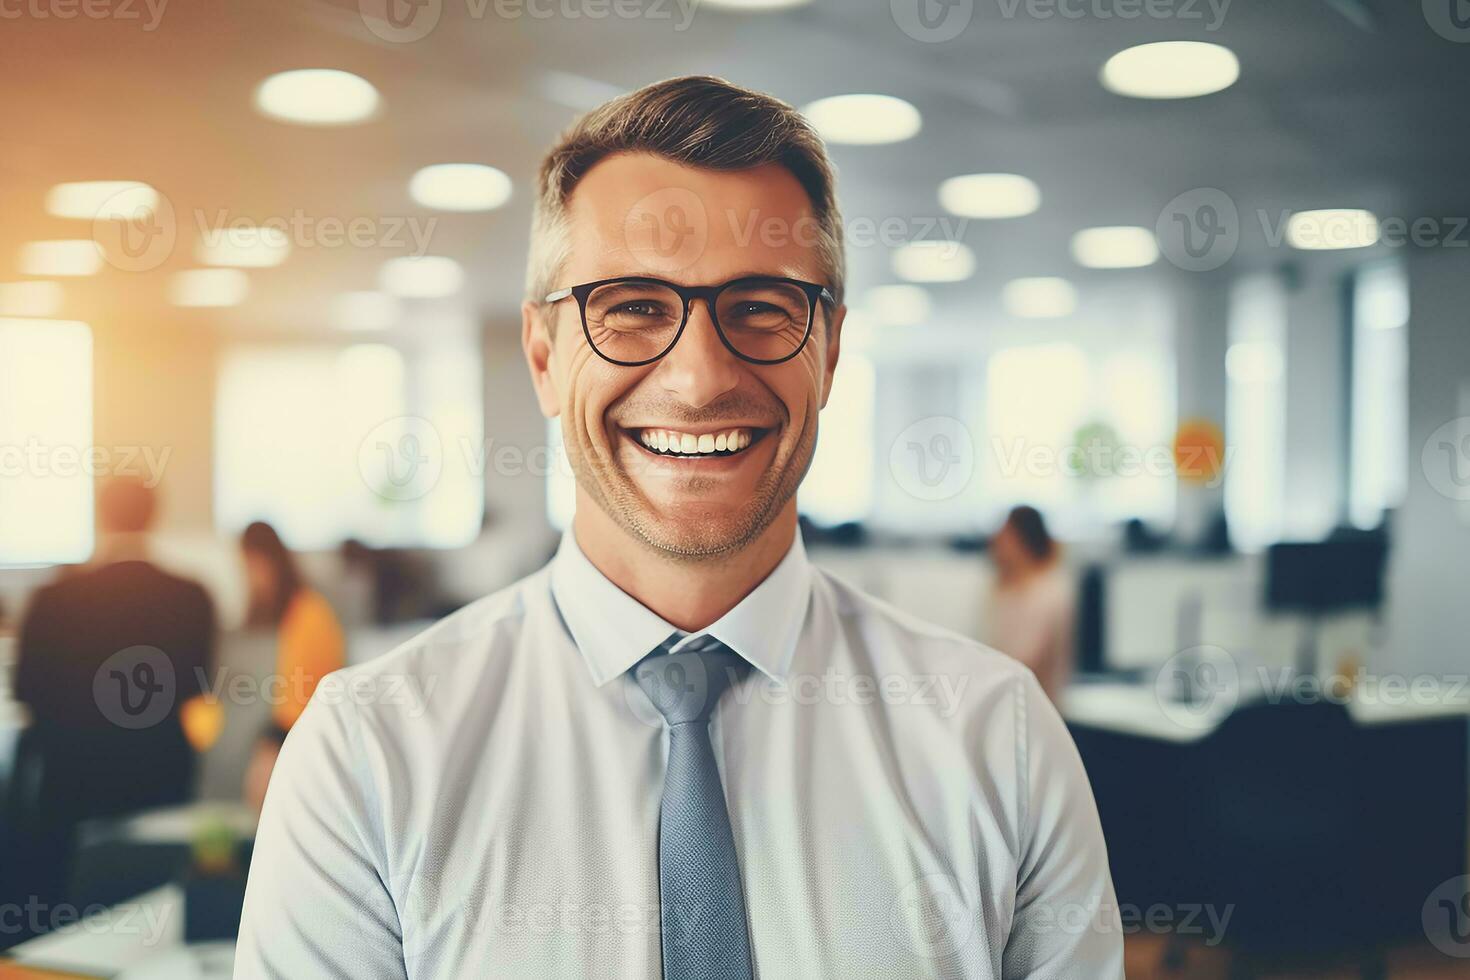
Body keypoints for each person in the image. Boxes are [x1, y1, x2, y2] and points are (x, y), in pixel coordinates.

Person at [237, 76, 1121, 979]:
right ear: (544, 359)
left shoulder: (998, 741)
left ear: (832, 351)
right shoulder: (367, 758)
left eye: (763, 307)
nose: (699, 379)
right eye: (630, 307)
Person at [8, 476, 215, 920]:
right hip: (158, 780)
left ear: (100, 516)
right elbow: (200, 690)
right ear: (154, 517)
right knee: (151, 918)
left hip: (71, 789)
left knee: (66, 927)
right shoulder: (192, 597)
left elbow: (28, 693)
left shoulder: (51, 600)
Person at [237, 521, 345, 812]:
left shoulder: (309, 616)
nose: (248, 578)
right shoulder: (296, 614)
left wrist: (268, 750)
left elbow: (298, 702)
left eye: (248, 566)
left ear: (262, 561)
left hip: (306, 737)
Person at [985, 506, 1076, 704]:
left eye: (1005, 537)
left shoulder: (1049, 591)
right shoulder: (1007, 587)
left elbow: (1027, 660)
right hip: (1010, 699)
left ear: (1021, 541)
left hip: (1037, 704)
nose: (996, 546)